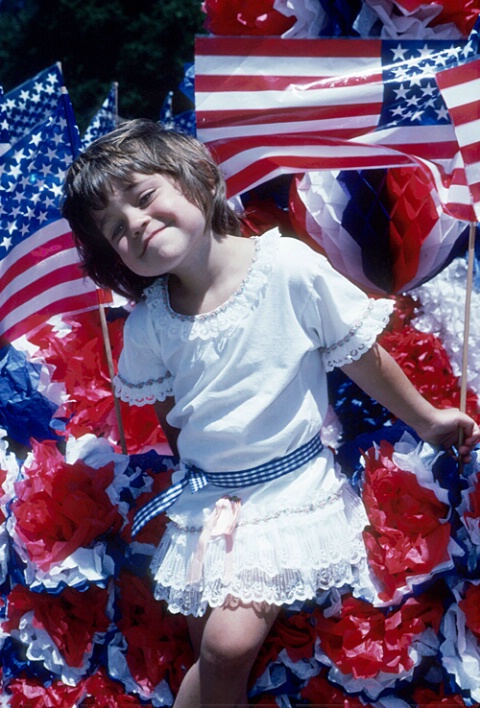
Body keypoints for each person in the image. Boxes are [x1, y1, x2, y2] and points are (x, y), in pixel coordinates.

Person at [62, 118, 480, 708]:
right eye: (115, 228)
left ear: (199, 180)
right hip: (207, 503)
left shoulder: (285, 268)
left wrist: (428, 419)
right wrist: (198, 474)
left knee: (226, 649)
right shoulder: (151, 320)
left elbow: (361, 354)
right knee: (205, 646)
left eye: (145, 196)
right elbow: (170, 411)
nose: (136, 224)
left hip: (286, 492)